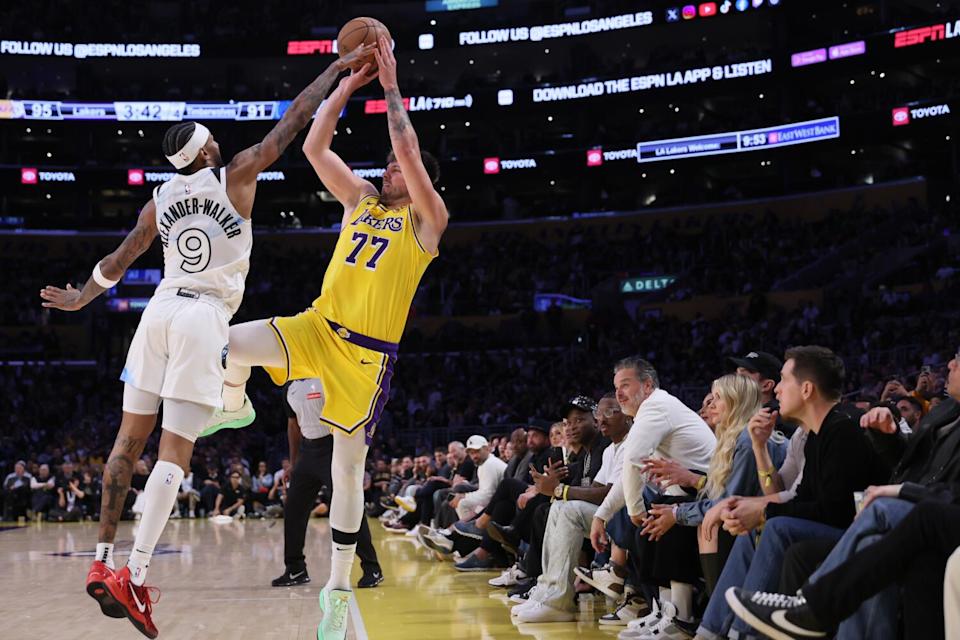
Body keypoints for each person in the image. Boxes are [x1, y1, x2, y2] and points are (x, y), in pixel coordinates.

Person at [40, 42, 377, 639]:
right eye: (213, 141)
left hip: (157, 313)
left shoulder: (160, 198)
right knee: (175, 453)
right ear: (207, 151)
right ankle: (135, 577)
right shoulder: (235, 174)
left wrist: (79, 299)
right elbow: (292, 120)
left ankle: (102, 558)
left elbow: (120, 259)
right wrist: (334, 70)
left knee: (126, 443)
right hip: (203, 319)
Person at [202, 37, 448, 640]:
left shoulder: (427, 220)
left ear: (418, 183)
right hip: (316, 326)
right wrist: (346, 86)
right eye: (387, 166)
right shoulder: (360, 199)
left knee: (346, 470)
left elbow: (409, 149)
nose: (389, 169)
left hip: (364, 358)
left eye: (398, 169)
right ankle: (233, 405)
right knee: (224, 344)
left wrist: (391, 86)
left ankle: (337, 588)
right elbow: (315, 146)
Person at [271, 379, 382, 590]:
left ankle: (372, 568)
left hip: (333, 447)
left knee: (348, 508)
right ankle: (295, 569)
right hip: (306, 451)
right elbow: (293, 425)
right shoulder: (289, 387)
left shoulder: (325, 377)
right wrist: (293, 463)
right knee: (293, 509)